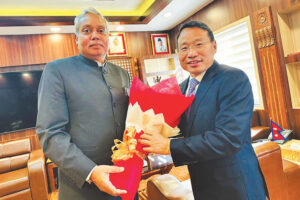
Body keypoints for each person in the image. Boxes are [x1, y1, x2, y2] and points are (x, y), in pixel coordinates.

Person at [140, 21, 269, 200]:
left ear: (214, 46)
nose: (192, 53)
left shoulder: (233, 79)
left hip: (236, 186)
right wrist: (148, 138)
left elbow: (229, 138)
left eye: (199, 44)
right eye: (184, 48)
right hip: (202, 184)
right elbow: (179, 130)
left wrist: (169, 146)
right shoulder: (181, 88)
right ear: (178, 54)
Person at [36, 7, 133, 200]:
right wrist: (91, 171)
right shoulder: (57, 70)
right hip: (82, 186)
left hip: (126, 178)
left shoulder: (121, 73)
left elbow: (132, 120)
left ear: (108, 37)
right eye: (87, 31)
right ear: (76, 38)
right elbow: (51, 134)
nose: (95, 35)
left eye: (101, 30)